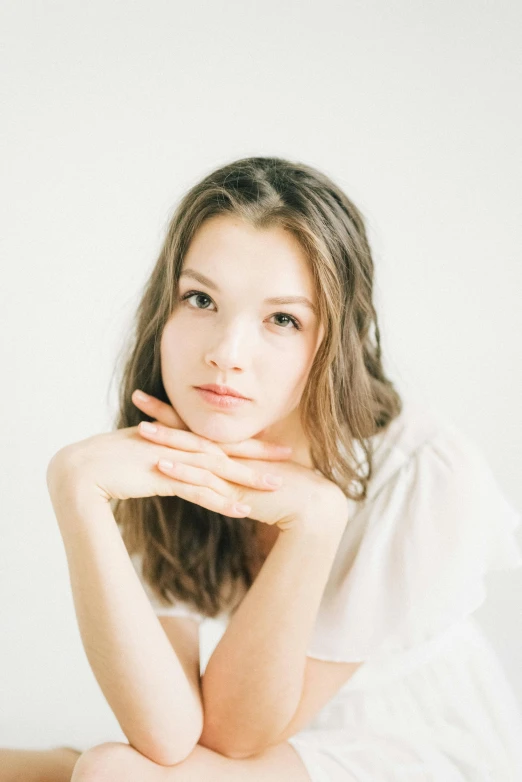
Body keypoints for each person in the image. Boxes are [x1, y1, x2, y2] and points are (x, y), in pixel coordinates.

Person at [2, 156, 521, 781]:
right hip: (257, 746)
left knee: (113, 772)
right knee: (99, 765)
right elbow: (167, 733)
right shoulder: (168, 451)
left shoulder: (423, 471)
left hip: (414, 745)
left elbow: (236, 735)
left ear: (335, 339)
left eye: (282, 319)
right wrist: (75, 492)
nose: (225, 354)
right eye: (201, 299)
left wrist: (317, 522)